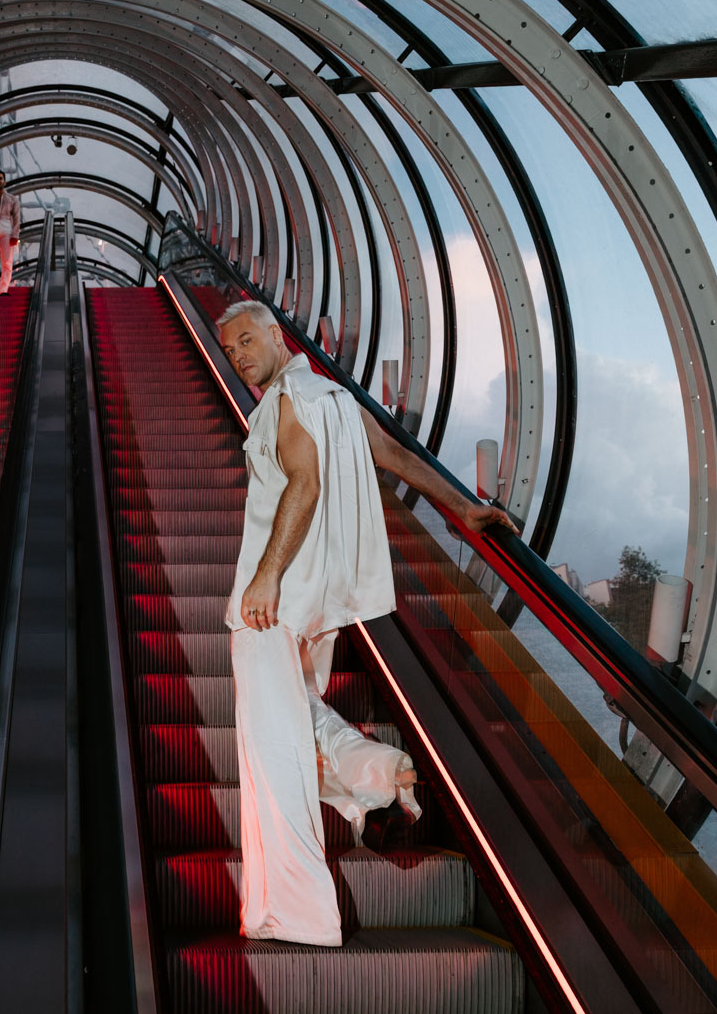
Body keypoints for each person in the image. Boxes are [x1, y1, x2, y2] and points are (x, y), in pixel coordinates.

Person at [215, 299, 515, 946]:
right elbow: (393, 456)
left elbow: (305, 482)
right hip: (313, 606)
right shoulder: (336, 398)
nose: (238, 355)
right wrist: (464, 508)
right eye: (230, 348)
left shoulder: (291, 397)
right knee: (299, 713)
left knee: (273, 752)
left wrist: (265, 575)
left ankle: (294, 913)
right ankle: (379, 769)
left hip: (269, 603)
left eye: (245, 339)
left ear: (276, 334)